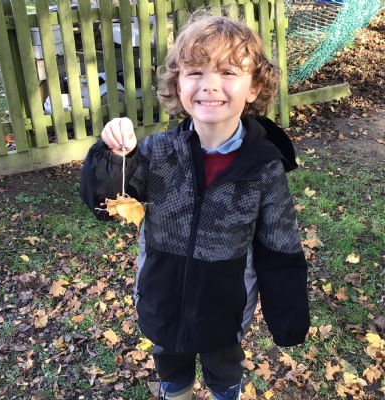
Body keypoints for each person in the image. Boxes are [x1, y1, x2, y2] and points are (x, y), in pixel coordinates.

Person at [80, 15, 310, 400]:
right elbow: (104, 205)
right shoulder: (156, 153)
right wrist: (113, 156)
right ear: (178, 83)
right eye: (196, 72)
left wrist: (288, 319)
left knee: (224, 369)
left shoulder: (262, 168)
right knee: (171, 367)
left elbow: (280, 246)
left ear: (254, 87)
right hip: (162, 299)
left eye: (228, 72)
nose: (210, 84)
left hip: (224, 307)